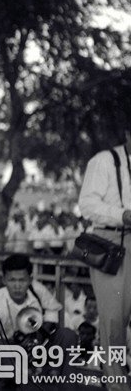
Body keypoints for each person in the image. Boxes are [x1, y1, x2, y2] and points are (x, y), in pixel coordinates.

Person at [78, 128, 131, 390]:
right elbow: (86, 204)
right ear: (128, 134)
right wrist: (122, 215)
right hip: (112, 243)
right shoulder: (104, 161)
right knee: (113, 323)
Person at [0, 254, 77, 374]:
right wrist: (18, 353)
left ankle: (66, 385)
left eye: (22, 280)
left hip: (40, 344)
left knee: (67, 335)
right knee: (13, 369)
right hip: (11, 350)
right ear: (4, 280)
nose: (17, 286)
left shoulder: (38, 290)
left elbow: (53, 309)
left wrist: (41, 332)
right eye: (12, 280)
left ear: (30, 279)